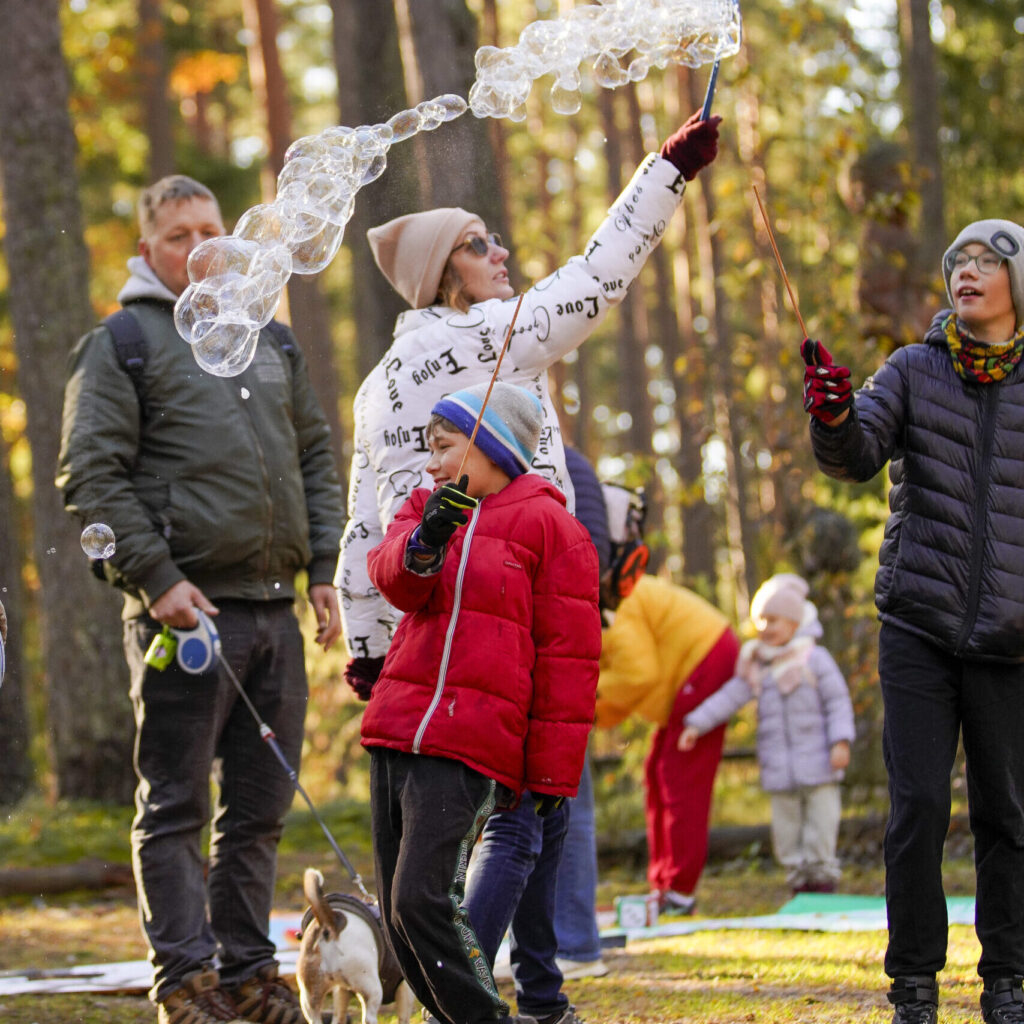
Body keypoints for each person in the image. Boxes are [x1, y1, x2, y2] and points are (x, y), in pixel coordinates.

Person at [57, 175, 344, 1024]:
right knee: (177, 805)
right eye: (179, 234)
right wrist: (157, 580)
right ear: (149, 251)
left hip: (273, 609)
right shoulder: (122, 343)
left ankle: (251, 978)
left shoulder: (272, 342)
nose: (199, 245)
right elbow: (91, 475)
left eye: (212, 228)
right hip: (181, 614)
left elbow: (317, 459)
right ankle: (185, 983)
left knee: (257, 813)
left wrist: (323, 565)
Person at [336, 106, 722, 696]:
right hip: (513, 599)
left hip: (428, 624)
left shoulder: (372, 388)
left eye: (493, 238)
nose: (500, 253)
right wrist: (670, 168)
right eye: (476, 244)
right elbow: (596, 279)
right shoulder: (489, 331)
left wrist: (366, 650)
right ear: (441, 273)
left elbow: (362, 526)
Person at [801, 218, 1024, 1024]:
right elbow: (857, 455)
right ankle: (916, 987)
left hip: (1012, 639)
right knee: (920, 804)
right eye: (957, 260)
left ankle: (1008, 980)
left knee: (1008, 813)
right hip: (920, 625)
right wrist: (831, 417)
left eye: (987, 262)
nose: (967, 272)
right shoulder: (911, 369)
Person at [359, 381, 601, 1024]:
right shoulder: (423, 505)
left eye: (444, 447)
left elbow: (568, 665)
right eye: (428, 449)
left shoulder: (554, 528)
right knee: (399, 916)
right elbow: (396, 581)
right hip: (397, 731)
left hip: (470, 742)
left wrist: (551, 772)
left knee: (421, 899)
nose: (431, 463)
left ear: (491, 444)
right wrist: (426, 540)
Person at [594, 485, 739, 916]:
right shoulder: (605, 603)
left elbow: (638, 675)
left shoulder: (613, 606)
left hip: (704, 657)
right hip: (686, 670)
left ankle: (679, 892)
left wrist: (583, 705)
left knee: (680, 776)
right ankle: (664, 885)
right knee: (658, 771)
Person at [679, 573, 854, 895]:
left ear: (793, 621)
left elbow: (838, 702)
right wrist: (696, 723)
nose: (766, 628)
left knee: (821, 825)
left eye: (773, 620)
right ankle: (798, 883)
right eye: (761, 621)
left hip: (819, 764)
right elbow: (729, 696)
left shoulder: (815, 660)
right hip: (780, 768)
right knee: (786, 831)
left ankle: (822, 880)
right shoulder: (757, 666)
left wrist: (840, 741)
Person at [551, 447, 610, 981]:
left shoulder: (568, 464)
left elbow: (593, 561)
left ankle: (574, 941)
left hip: (558, 655)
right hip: (558, 650)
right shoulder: (574, 463)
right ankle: (565, 940)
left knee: (568, 801)